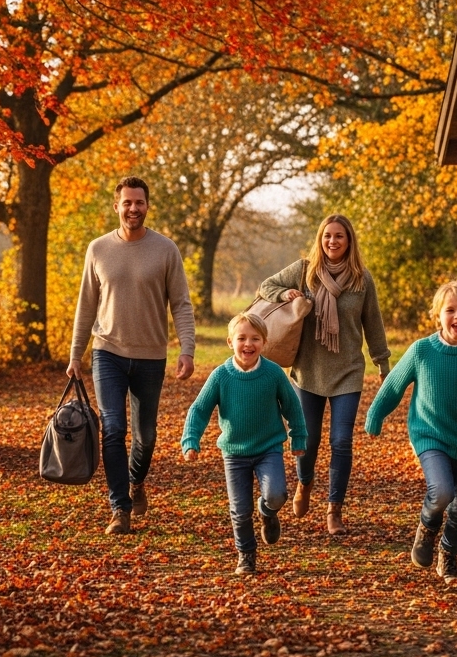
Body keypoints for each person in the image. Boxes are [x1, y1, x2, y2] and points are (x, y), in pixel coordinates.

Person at [68, 175, 196, 536]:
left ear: (147, 206)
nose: (133, 208)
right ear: (116, 206)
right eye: (127, 202)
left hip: (150, 356)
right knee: (113, 428)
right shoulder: (98, 249)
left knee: (147, 435)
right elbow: (86, 306)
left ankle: (137, 481)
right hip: (106, 351)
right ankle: (119, 507)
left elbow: (181, 305)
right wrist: (76, 354)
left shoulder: (165, 249)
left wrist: (187, 349)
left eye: (139, 202)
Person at [364, 281, 457, 584]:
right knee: (441, 491)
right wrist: (375, 415)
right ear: (438, 316)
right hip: (429, 434)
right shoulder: (421, 350)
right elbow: (393, 386)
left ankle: (448, 555)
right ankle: (427, 527)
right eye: (451, 310)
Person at [257, 214, 389, 537]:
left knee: (341, 441)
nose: (332, 241)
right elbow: (266, 287)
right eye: (327, 236)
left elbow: (373, 324)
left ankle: (334, 509)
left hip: (348, 372)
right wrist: (284, 295)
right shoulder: (305, 272)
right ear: (320, 239)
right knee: (307, 440)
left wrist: (383, 364)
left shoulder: (361, 280)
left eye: (339, 236)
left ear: (349, 241)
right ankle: (304, 482)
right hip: (307, 371)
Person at [182, 313, 307, 575]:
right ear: (230, 342)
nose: (248, 344)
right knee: (239, 510)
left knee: (276, 495)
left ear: (264, 342)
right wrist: (191, 439)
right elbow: (199, 409)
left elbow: (293, 407)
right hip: (234, 452)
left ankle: (267, 512)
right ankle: (246, 556)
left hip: (268, 448)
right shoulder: (221, 376)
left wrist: (298, 437)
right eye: (242, 338)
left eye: (255, 339)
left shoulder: (273, 374)